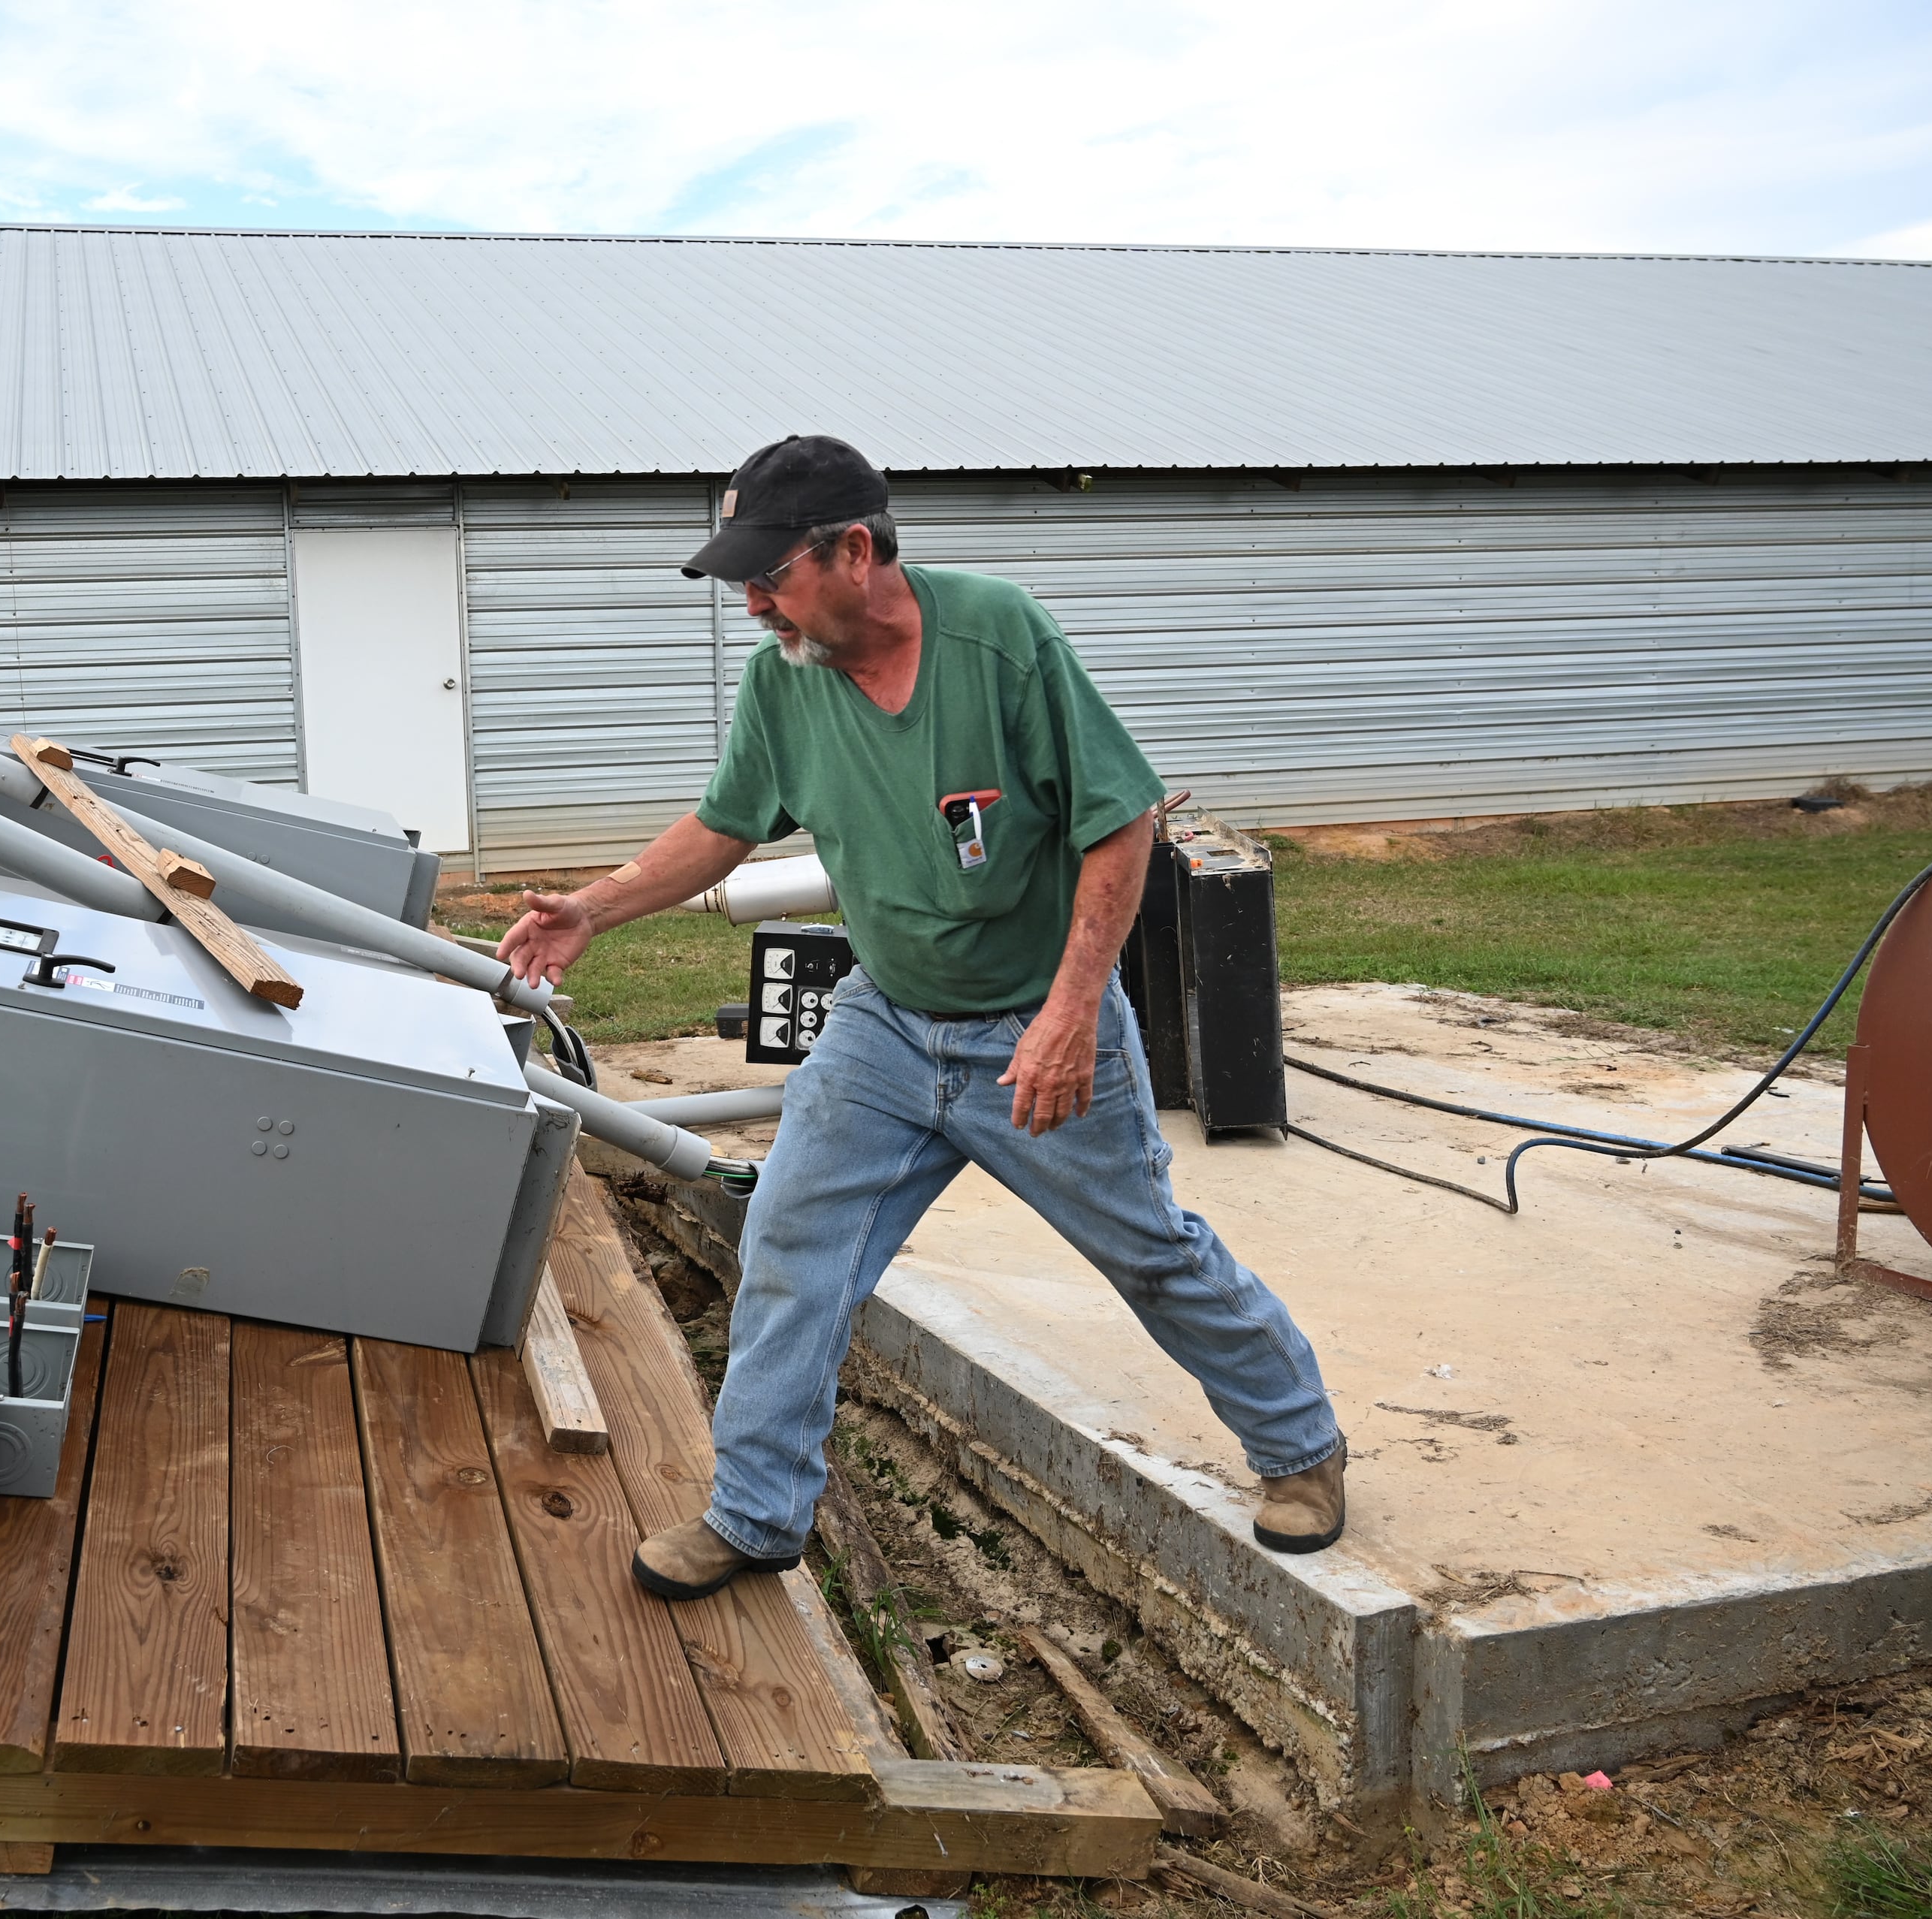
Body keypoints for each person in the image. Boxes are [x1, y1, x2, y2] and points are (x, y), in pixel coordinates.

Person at [497, 435, 1347, 1601]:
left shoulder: (1000, 639)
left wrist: (1070, 1014)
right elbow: (725, 826)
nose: (751, 601)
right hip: (886, 1023)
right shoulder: (782, 678)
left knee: (1147, 1249)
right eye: (740, 577)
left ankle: (1302, 1449)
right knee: (791, 1250)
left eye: (769, 572)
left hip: (1036, 1026)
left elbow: (1119, 824)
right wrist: (595, 908)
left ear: (854, 550)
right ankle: (755, 1513)